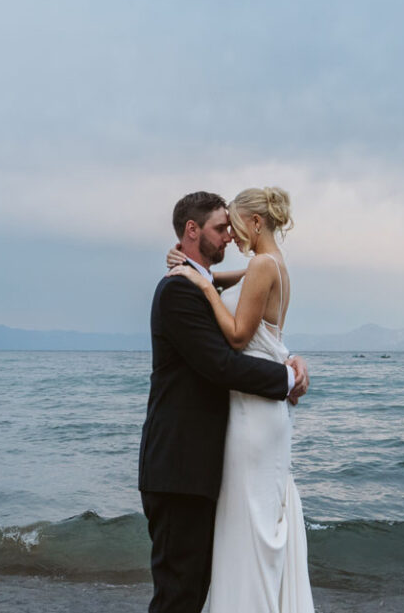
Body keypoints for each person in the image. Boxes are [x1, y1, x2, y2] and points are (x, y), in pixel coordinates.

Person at [141, 191, 309, 613]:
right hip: (180, 467)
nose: (229, 236)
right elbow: (221, 364)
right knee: (179, 594)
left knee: (193, 588)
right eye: (220, 228)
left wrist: (281, 353)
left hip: (199, 465)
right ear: (192, 231)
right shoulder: (179, 292)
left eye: (231, 226)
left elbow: (235, 291)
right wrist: (286, 375)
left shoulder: (200, 283)